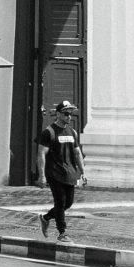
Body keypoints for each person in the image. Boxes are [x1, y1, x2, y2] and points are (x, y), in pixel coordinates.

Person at [38, 100, 85, 238]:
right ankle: (62, 232)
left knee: (68, 203)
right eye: (65, 113)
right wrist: (42, 176)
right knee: (60, 202)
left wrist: (83, 172)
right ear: (58, 114)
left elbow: (77, 153)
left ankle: (46, 218)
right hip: (54, 173)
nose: (69, 116)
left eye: (70, 114)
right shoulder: (49, 132)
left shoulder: (73, 132)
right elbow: (41, 154)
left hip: (69, 173)